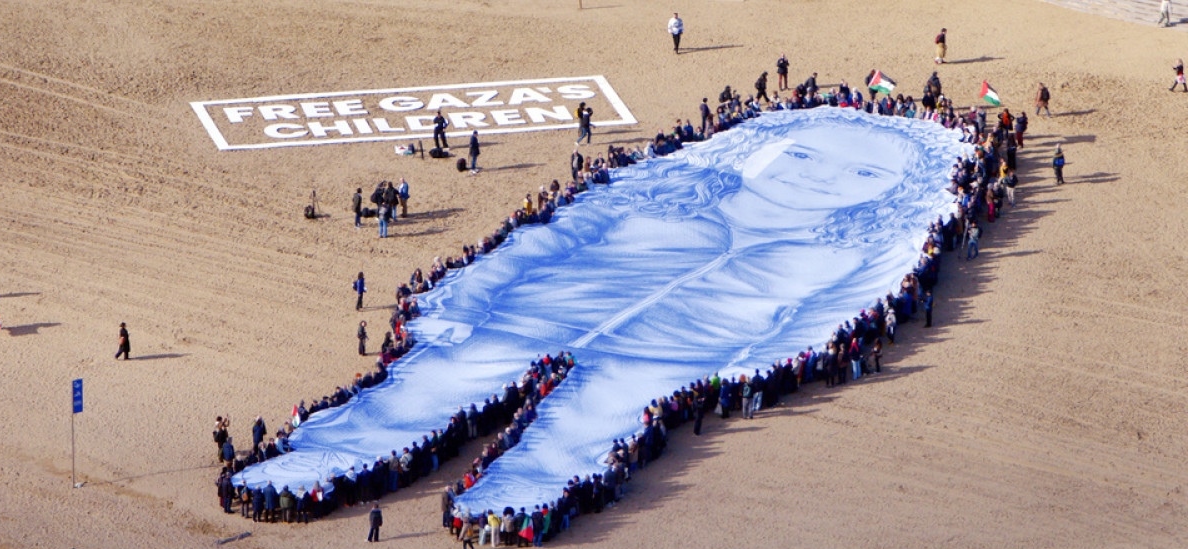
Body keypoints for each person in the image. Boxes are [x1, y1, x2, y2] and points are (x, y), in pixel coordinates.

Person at [234, 111, 962, 518]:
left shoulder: (835, 259)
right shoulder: (665, 204)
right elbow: (539, 247)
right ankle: (303, 465)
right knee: (424, 392)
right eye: (803, 158)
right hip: (533, 320)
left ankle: (508, 505)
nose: (823, 179)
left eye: (862, 175)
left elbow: (809, 326)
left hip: (650, 368)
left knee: (575, 436)